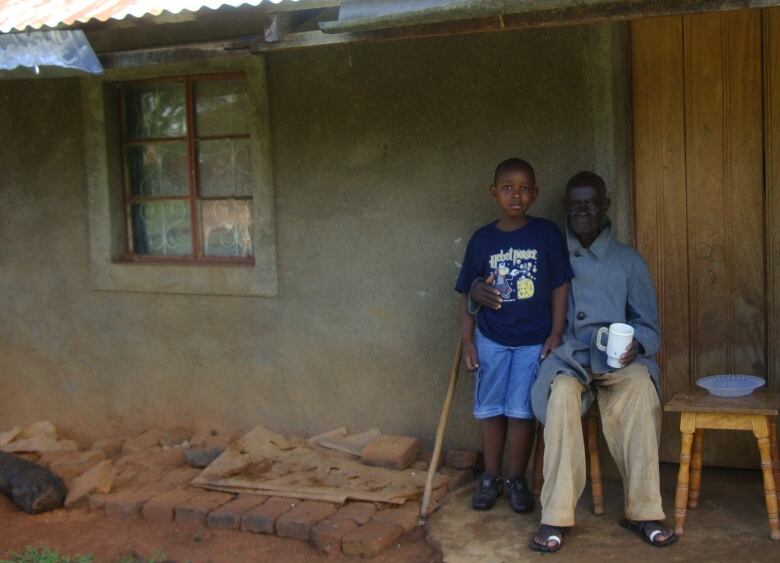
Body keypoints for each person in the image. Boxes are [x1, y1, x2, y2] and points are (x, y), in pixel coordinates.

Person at [471, 170, 677, 552]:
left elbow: (649, 327)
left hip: (617, 364)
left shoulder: (628, 261)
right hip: (567, 358)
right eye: (575, 203)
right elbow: (510, 290)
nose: (583, 210)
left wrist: (638, 347)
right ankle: (556, 517)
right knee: (561, 398)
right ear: (565, 206)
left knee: (641, 393)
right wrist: (475, 292)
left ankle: (645, 512)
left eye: (591, 202)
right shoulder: (548, 249)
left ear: (605, 206)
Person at [455, 158, 572, 514]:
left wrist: (556, 331)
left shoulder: (546, 233)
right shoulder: (482, 240)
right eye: (507, 188)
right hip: (491, 339)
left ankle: (516, 477)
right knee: (492, 410)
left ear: (535, 194)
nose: (515, 195)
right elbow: (467, 292)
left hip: (534, 341)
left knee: (522, 412)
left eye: (524, 188)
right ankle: (490, 477)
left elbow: (559, 285)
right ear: (494, 193)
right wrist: (467, 341)